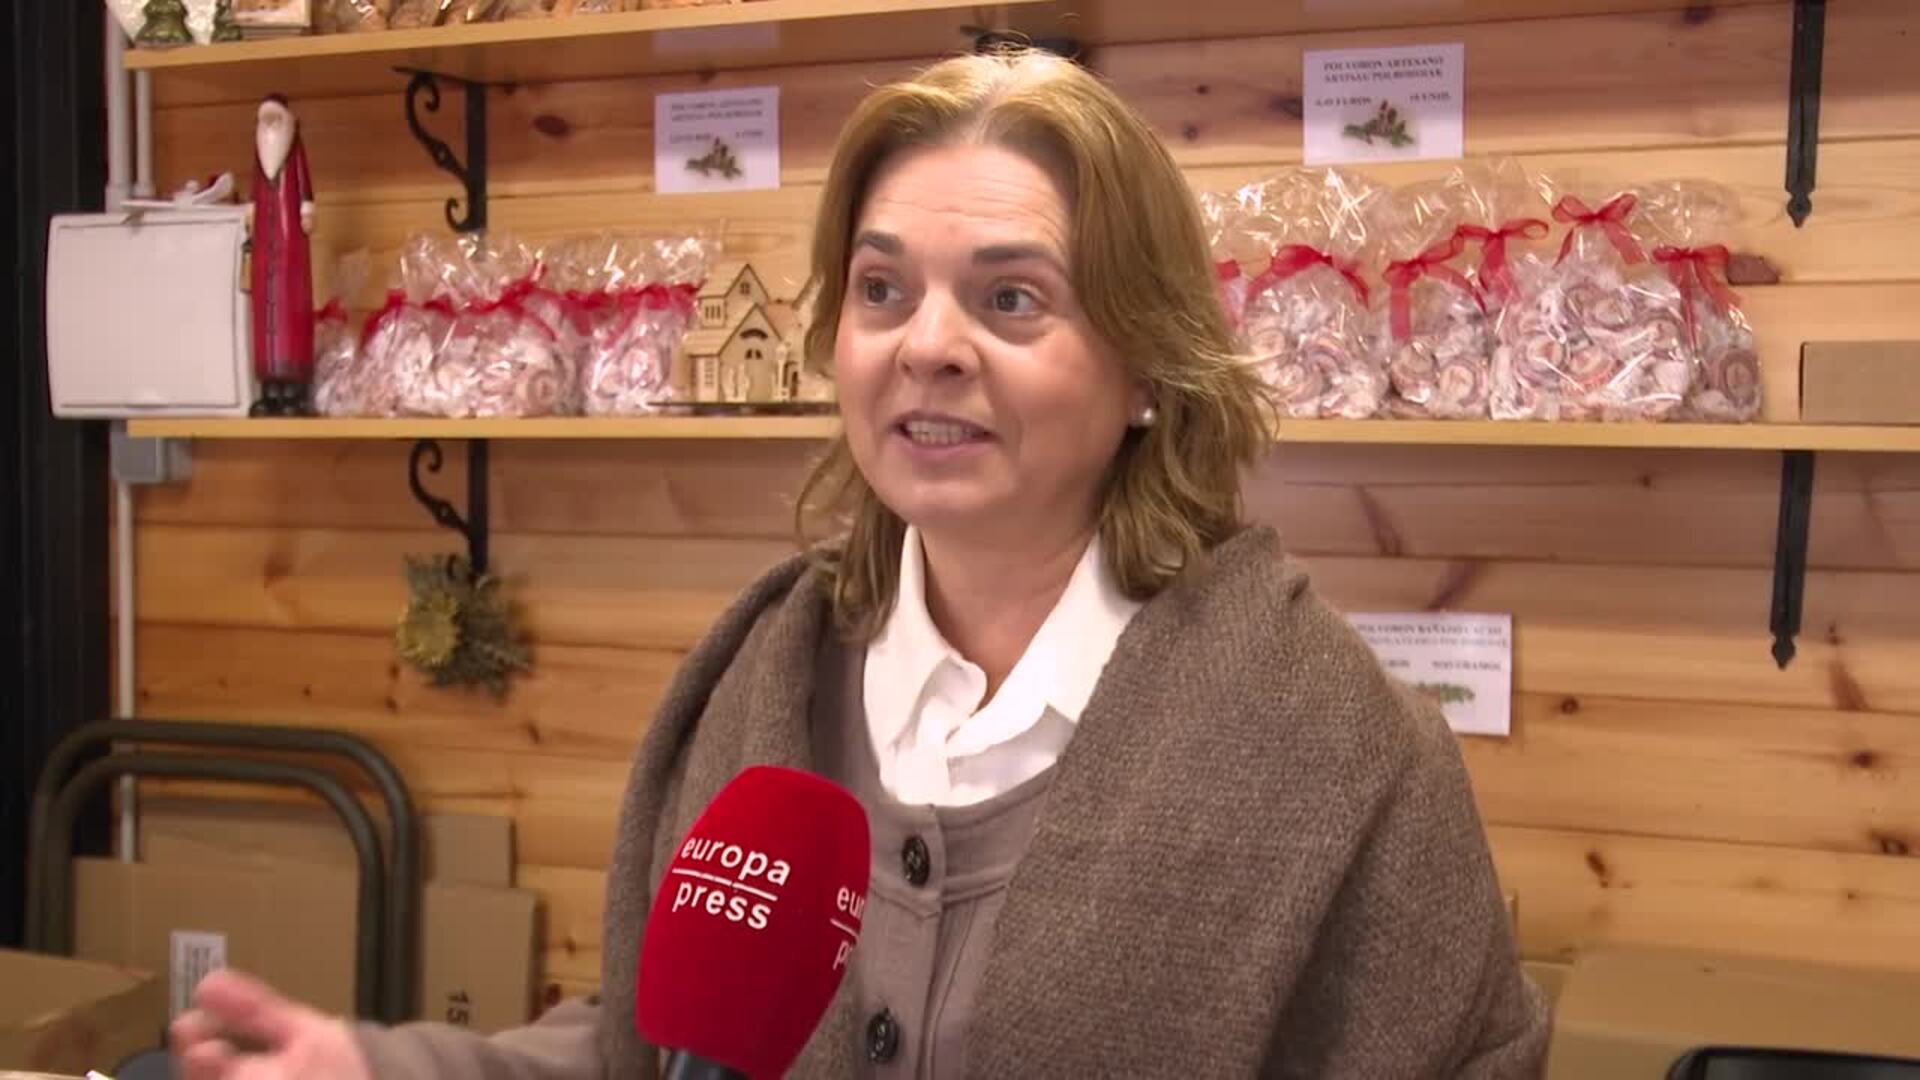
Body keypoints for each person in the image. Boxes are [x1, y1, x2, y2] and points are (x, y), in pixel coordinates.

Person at [171, 50, 1549, 1079]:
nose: (926, 345)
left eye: (1011, 298)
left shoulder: (1337, 753)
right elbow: (658, 1050)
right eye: (882, 290)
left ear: (1147, 366)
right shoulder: (761, 681)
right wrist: (386, 1068)